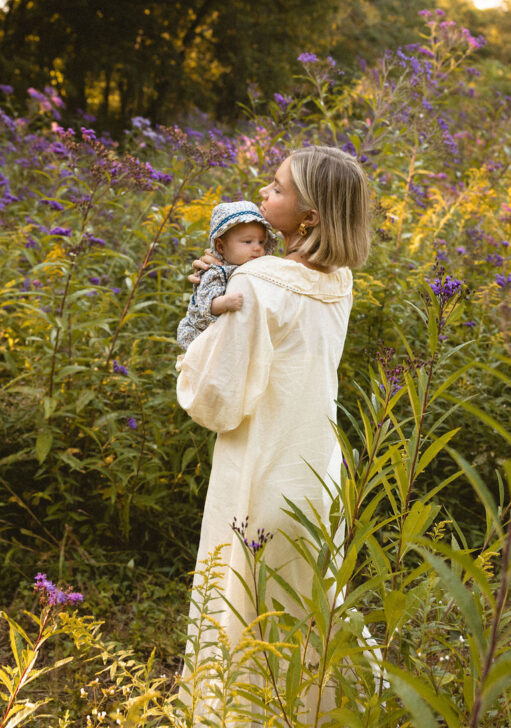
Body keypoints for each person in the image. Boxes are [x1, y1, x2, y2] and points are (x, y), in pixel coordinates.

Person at [176, 145, 370, 721]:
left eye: (278, 188)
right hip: (315, 471)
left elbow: (215, 398)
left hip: (259, 469)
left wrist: (203, 310)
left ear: (309, 216)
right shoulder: (340, 280)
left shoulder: (260, 281)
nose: (264, 193)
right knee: (309, 607)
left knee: (245, 610)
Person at [176, 200, 276, 351]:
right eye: (248, 241)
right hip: (201, 334)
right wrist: (224, 303)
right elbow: (204, 304)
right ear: (220, 247)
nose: (257, 248)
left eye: (261, 242)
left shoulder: (255, 267)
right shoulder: (215, 272)